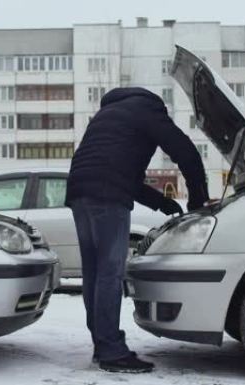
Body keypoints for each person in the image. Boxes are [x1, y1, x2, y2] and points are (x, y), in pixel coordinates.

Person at [65, 87, 209, 374]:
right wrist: (198, 199)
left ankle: (102, 344)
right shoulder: (147, 109)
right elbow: (186, 152)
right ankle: (110, 351)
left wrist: (161, 203)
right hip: (107, 196)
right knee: (110, 272)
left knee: (94, 272)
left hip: (79, 192)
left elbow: (115, 170)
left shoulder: (106, 115)